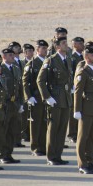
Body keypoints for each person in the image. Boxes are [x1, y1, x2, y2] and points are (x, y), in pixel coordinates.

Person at [37, 37, 73, 165]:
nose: (66, 45)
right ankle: (51, 157)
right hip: (55, 98)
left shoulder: (67, 59)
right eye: (63, 43)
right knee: (53, 129)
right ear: (57, 47)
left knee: (62, 128)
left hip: (66, 98)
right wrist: (47, 97)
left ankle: (58, 155)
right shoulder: (51, 60)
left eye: (66, 43)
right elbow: (40, 80)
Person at [73, 47, 93, 174]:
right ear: (86, 57)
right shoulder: (83, 72)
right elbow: (78, 92)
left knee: (92, 137)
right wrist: (77, 110)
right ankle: (82, 164)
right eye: (92, 55)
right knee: (83, 138)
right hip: (86, 109)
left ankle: (90, 163)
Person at [23, 40, 49, 156]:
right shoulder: (32, 64)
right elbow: (25, 82)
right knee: (35, 124)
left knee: (45, 123)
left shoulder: (49, 62)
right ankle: (35, 147)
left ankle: (43, 146)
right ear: (37, 50)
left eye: (46, 48)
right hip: (36, 97)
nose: (45, 50)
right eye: (42, 48)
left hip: (46, 97)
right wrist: (28, 97)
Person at [0, 48, 23, 164]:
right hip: (6, 104)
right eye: (9, 55)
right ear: (4, 57)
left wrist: (21, 102)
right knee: (4, 130)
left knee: (12, 131)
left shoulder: (16, 68)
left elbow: (20, 87)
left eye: (13, 55)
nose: (12, 57)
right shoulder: (0, 69)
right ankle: (2, 154)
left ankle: (8, 154)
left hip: (15, 103)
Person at [68, 37, 85, 143]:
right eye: (80, 43)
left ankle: (77, 132)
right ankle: (72, 134)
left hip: (83, 87)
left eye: (82, 43)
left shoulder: (83, 57)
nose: (82, 45)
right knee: (73, 110)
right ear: (74, 45)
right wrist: (72, 86)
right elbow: (70, 72)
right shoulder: (72, 57)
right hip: (74, 87)